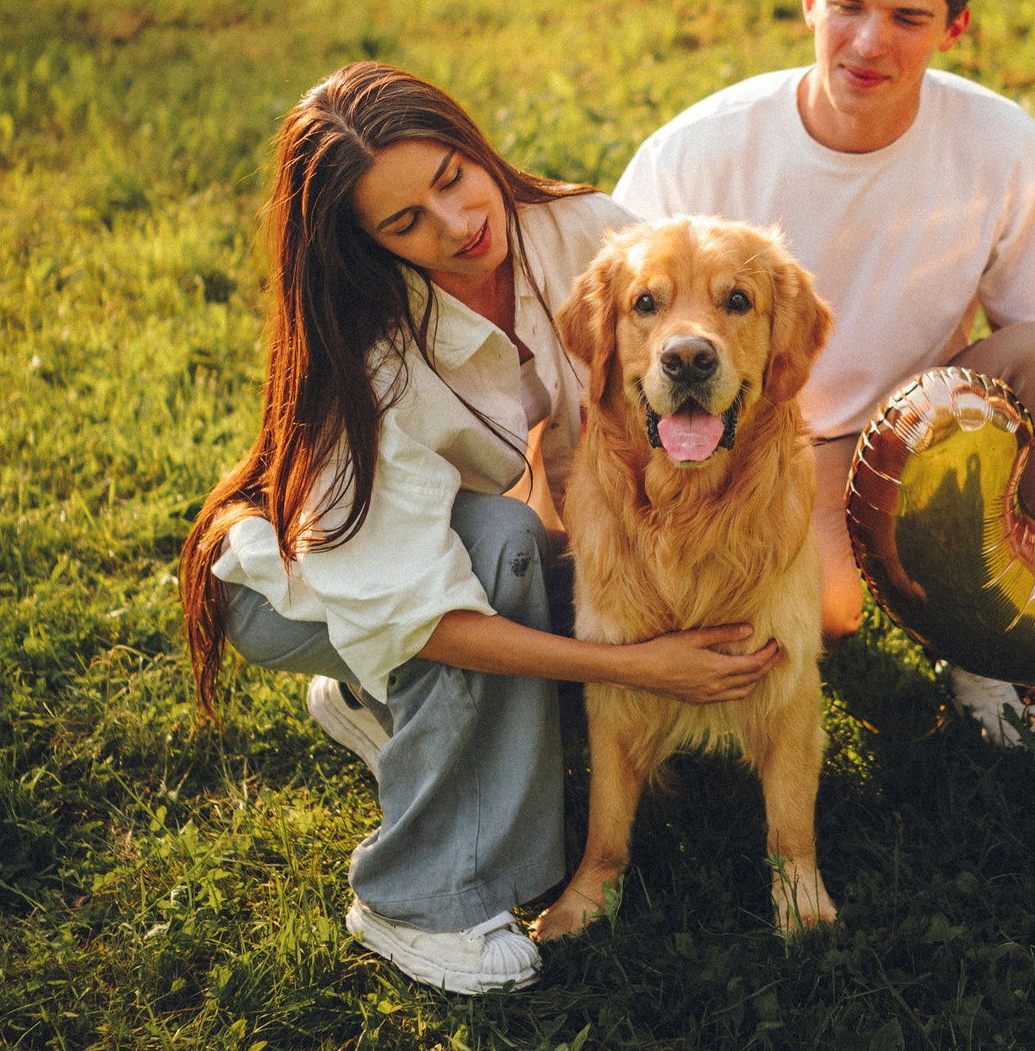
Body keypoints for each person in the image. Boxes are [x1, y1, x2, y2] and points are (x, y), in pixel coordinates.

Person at [179, 63, 781, 995]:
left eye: (452, 176)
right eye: (406, 222)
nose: (457, 224)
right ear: (367, 246)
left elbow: (618, 420)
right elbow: (427, 610)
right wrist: (638, 667)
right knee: (500, 555)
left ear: (472, 142)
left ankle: (383, 705)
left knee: (521, 553)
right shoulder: (371, 356)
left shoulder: (581, 230)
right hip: (300, 583)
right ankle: (417, 898)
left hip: (432, 540)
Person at [613, 0, 1035, 746]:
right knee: (827, 614)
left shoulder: (999, 140)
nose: (870, 42)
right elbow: (614, 344)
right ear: (810, 1)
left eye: (909, 18)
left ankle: (989, 649)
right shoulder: (699, 152)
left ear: (955, 27)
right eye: (849, 4)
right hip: (757, 446)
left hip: (917, 432)